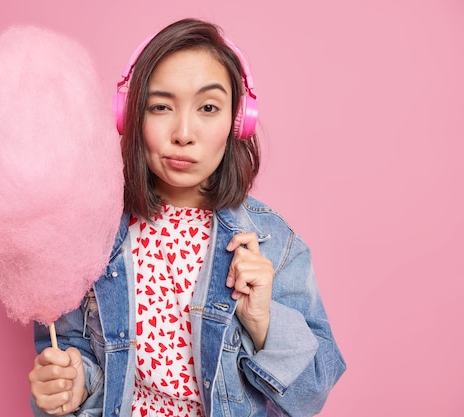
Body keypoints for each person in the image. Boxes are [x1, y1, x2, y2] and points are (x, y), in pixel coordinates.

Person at [29, 18, 345, 417]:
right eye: (161, 106)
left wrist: (264, 322)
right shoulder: (91, 235)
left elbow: (312, 394)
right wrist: (74, 385)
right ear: (130, 117)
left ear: (238, 121)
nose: (183, 132)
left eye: (208, 108)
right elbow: (72, 354)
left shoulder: (270, 242)